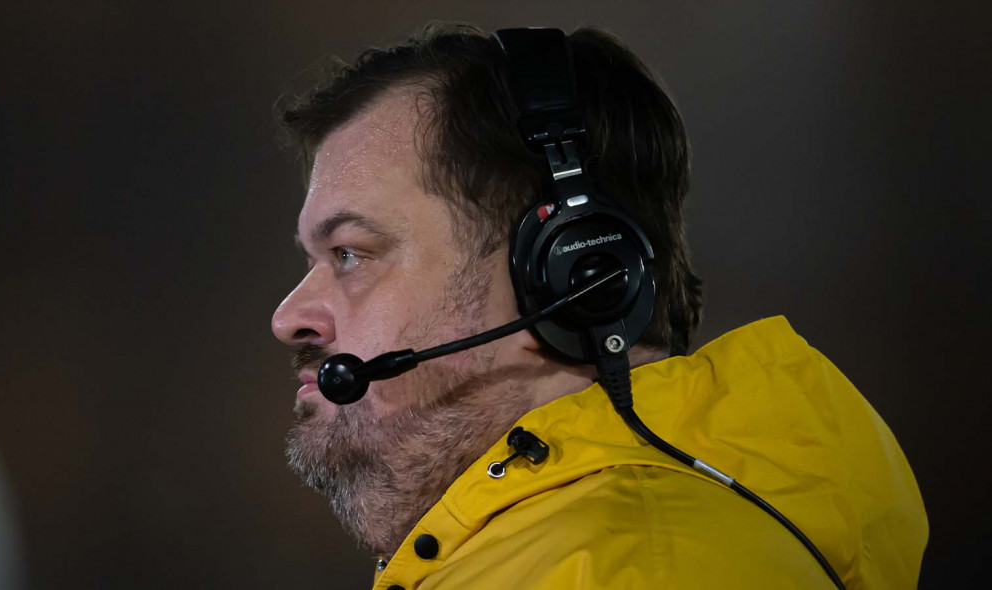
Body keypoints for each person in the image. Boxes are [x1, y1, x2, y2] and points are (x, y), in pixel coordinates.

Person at [270, 23, 927, 589]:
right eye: (313, 260)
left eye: (350, 254)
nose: (288, 317)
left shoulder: (634, 569)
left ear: (566, 279)